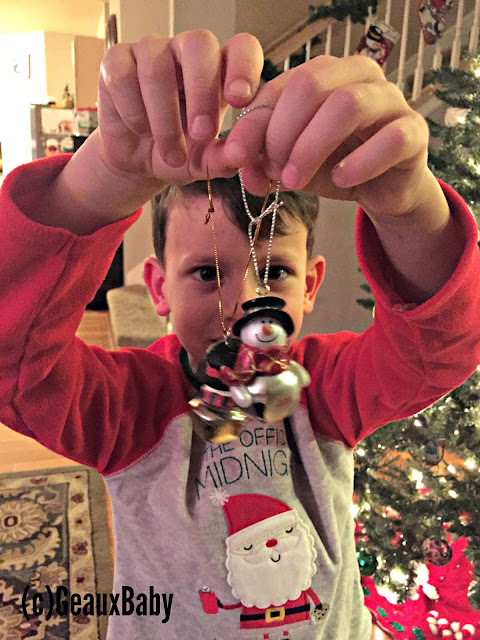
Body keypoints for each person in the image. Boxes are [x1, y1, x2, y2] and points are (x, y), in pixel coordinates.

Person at [0, 29, 479, 640]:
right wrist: (95, 185)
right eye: (206, 273)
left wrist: (410, 210)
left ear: (310, 285)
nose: (244, 307)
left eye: (274, 273)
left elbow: (438, 350)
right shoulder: (128, 407)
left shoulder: (325, 388)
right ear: (159, 288)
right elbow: (13, 367)